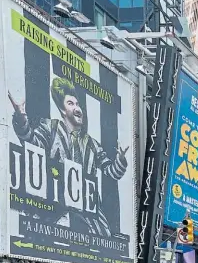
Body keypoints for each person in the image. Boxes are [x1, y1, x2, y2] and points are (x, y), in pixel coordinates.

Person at [8, 78, 129, 237]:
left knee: (104, 236)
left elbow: (111, 173)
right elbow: (32, 142)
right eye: (71, 104)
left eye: (78, 104)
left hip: (89, 214)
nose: (77, 108)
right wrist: (21, 117)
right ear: (62, 109)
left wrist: (120, 159)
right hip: (55, 208)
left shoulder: (92, 144)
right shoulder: (50, 128)